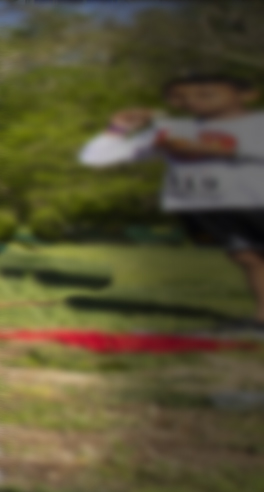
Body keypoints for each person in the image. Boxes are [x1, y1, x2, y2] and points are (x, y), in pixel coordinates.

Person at [80, 74, 264, 328]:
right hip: (210, 206)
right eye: (179, 96)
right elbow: (96, 159)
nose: (191, 101)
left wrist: (209, 150)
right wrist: (118, 129)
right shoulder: (173, 131)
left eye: (206, 93)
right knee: (247, 258)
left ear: (246, 94)